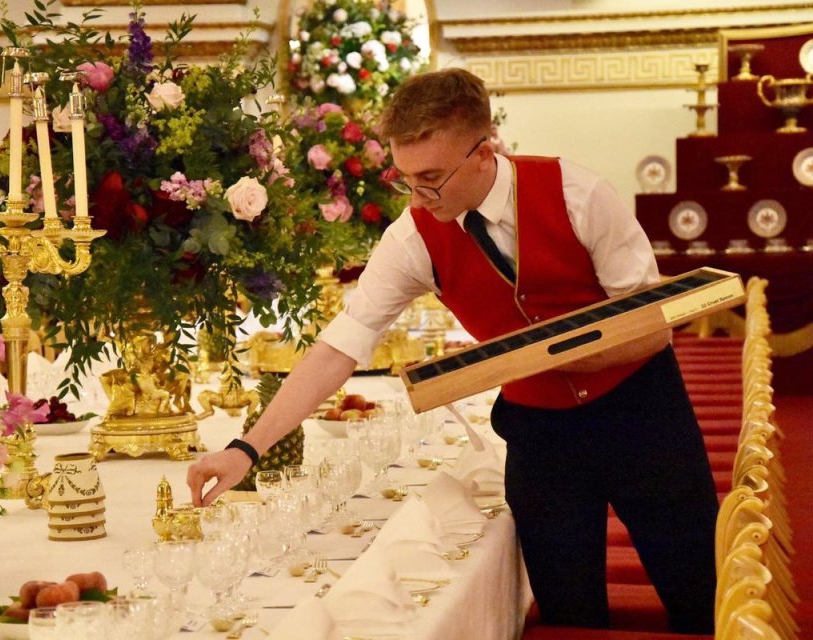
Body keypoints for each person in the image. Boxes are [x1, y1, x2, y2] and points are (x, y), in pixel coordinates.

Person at [187, 68, 717, 633]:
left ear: (485, 151)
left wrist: (528, 355)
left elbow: (652, 328)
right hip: (542, 440)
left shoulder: (578, 193)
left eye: (433, 178)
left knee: (704, 601)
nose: (418, 196)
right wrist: (246, 449)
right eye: (407, 179)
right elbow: (340, 347)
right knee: (568, 618)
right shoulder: (414, 235)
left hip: (644, 417)